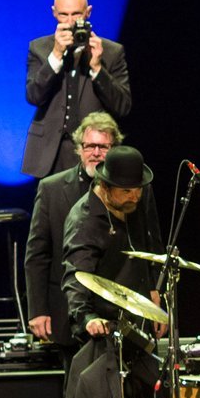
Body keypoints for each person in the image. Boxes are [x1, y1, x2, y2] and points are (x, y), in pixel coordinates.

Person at [57, 145, 165, 398]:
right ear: (105, 186)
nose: (134, 196)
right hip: (103, 330)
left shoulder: (136, 202)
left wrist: (156, 297)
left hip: (137, 322)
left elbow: (150, 248)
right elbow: (76, 276)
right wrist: (85, 316)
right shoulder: (85, 218)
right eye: (126, 191)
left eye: (138, 189)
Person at [25, 111, 121, 351]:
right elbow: (37, 254)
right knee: (75, 386)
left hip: (116, 309)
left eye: (103, 147)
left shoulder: (129, 189)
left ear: (115, 149)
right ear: (79, 148)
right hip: (67, 309)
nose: (96, 153)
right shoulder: (51, 189)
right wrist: (38, 310)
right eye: (90, 146)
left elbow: (147, 243)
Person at [22, 0, 132, 178]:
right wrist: (56, 55)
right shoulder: (39, 48)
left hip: (93, 152)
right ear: (54, 13)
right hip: (50, 153)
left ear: (88, 12)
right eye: (64, 14)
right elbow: (34, 96)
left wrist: (97, 68)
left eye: (76, 14)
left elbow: (123, 106)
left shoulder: (111, 52)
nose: (71, 22)